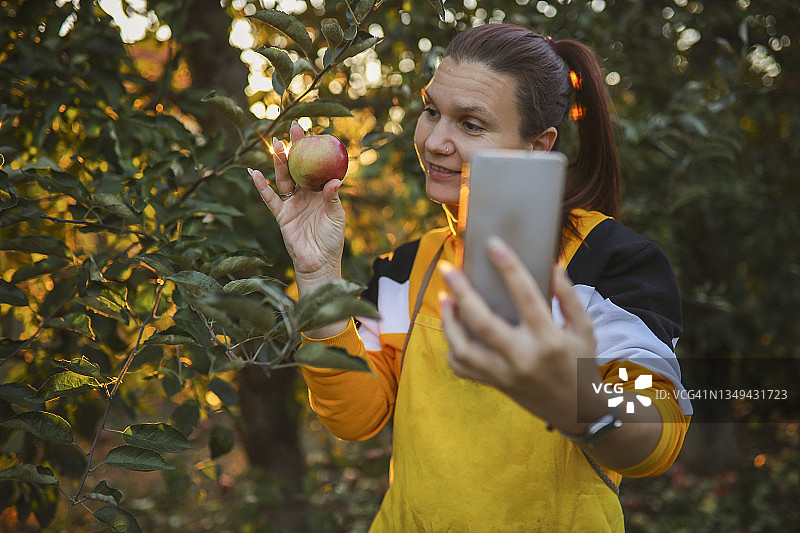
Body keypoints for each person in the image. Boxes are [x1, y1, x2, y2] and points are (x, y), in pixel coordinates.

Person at [251, 23, 692, 533]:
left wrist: (575, 400)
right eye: (432, 111)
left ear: (538, 144)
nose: (436, 141)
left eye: (472, 125)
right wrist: (318, 273)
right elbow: (354, 419)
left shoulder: (610, 263)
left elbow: (657, 438)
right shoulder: (407, 267)